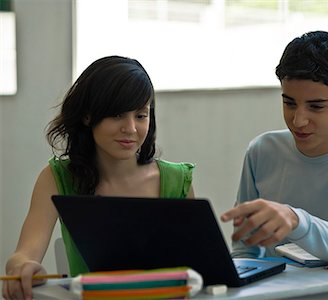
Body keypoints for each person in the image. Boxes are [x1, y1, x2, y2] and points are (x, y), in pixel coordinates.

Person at [2, 56, 195, 300]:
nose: (131, 128)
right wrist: (21, 267)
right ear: (87, 116)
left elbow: (199, 270)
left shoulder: (177, 181)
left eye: (141, 115)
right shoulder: (57, 177)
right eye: (117, 115)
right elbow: (24, 255)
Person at [221, 31, 328, 263]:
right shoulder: (262, 151)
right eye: (289, 103)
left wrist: (294, 219)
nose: (298, 120)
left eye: (316, 106)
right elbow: (245, 251)